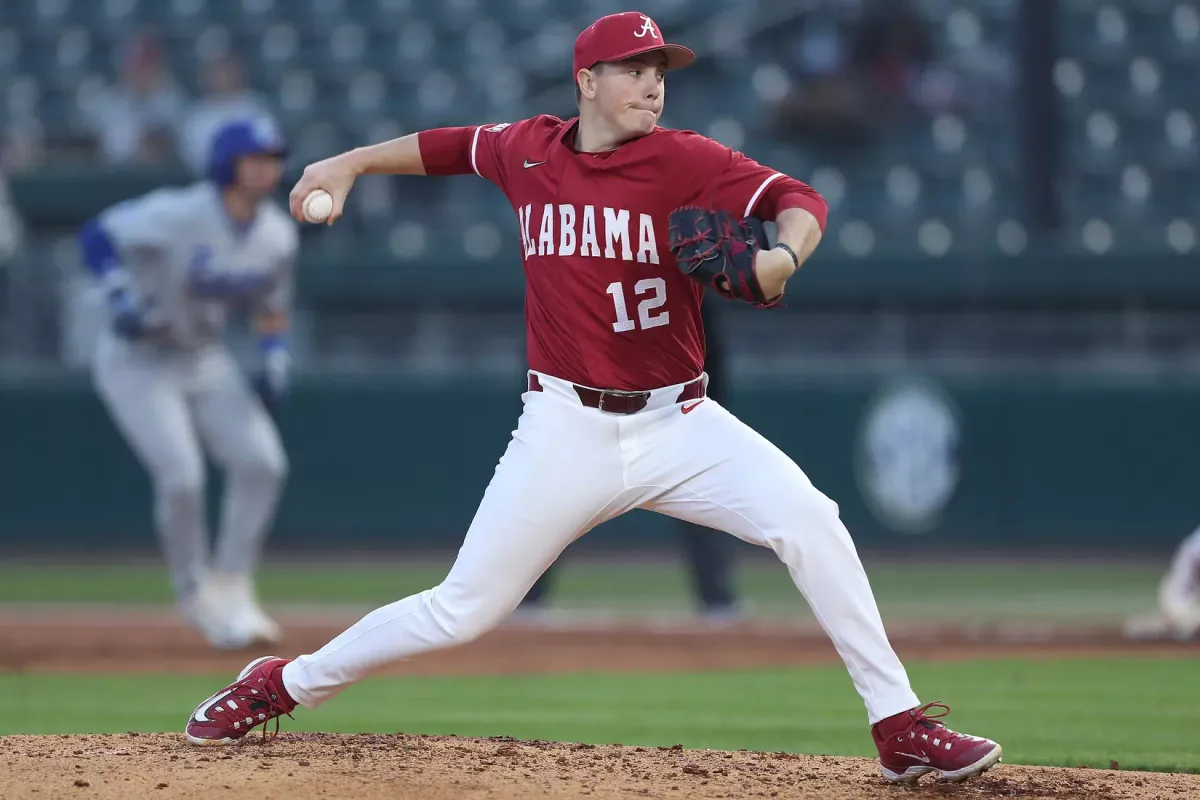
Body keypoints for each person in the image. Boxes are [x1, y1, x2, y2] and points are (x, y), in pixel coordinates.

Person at [183, 12, 1002, 786]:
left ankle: (897, 727)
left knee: (812, 521)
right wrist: (350, 162)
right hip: (565, 427)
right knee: (461, 612)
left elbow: (803, 201)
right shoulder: (528, 149)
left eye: (660, 70)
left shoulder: (686, 159)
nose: (654, 84)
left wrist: (783, 255)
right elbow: (445, 147)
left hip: (681, 423)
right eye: (635, 70)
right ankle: (279, 685)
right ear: (586, 80)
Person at [79, 119, 296, 649]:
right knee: (182, 477)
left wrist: (274, 356)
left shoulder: (276, 234)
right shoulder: (182, 212)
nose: (267, 166)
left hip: (204, 356)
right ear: (227, 163)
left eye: (273, 156)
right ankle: (195, 592)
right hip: (137, 357)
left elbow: (271, 308)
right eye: (255, 157)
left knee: (263, 462)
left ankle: (233, 585)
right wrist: (117, 295)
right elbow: (99, 233)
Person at [515, 300, 743, 623]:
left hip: (670, 410)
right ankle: (525, 596)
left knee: (699, 502)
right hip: (594, 411)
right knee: (560, 499)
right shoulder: (581, 278)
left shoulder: (685, 279)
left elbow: (709, 355)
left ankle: (718, 599)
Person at [1124, 525, 1200, 641]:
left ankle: (1161, 624)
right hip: (1177, 598)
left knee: (1188, 623)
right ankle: (1151, 628)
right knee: (1190, 624)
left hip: (1188, 599)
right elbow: (1196, 568)